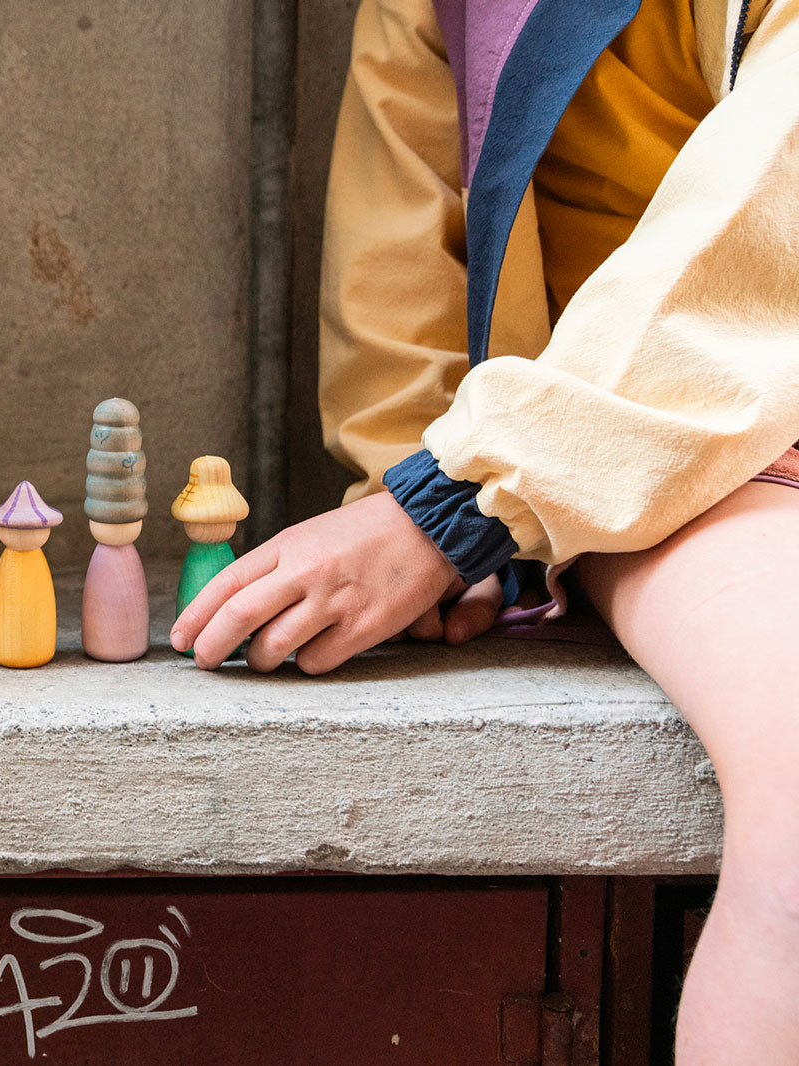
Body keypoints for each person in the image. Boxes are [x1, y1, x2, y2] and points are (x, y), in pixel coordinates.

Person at [169, 0, 799, 1059]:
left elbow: (765, 217)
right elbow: (404, 250)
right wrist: (420, 493)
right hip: (700, 462)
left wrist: (454, 502)